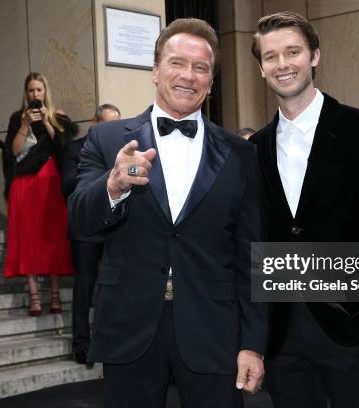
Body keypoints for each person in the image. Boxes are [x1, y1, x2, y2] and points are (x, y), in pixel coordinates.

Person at [69, 18, 267, 407]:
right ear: (155, 70)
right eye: (177, 63)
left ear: (211, 81)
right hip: (131, 327)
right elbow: (79, 220)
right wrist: (113, 186)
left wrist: (253, 343)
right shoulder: (107, 139)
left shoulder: (241, 153)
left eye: (201, 68)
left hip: (214, 329)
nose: (188, 76)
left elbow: (253, 255)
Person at [249, 12, 359, 408]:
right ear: (261, 68)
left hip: (350, 325)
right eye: (271, 56)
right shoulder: (253, 149)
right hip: (279, 336)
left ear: (314, 56)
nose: (283, 64)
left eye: (292, 51)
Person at [3, 72, 77, 316]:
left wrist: (47, 121)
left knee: (52, 239)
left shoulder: (58, 117)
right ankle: (34, 297)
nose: (35, 94)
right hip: (24, 185)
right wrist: (25, 124)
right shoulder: (17, 118)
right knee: (28, 240)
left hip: (50, 184)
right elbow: (13, 152)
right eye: (31, 90)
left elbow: (64, 148)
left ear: (46, 91)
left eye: (39, 90)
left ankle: (55, 296)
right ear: (26, 93)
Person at [62, 103, 121, 364]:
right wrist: (107, 179)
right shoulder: (74, 148)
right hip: (85, 229)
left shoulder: (122, 151)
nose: (115, 130)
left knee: (112, 287)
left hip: (114, 228)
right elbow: (67, 184)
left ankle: (107, 341)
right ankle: (81, 344)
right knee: (85, 286)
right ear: (95, 123)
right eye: (109, 124)